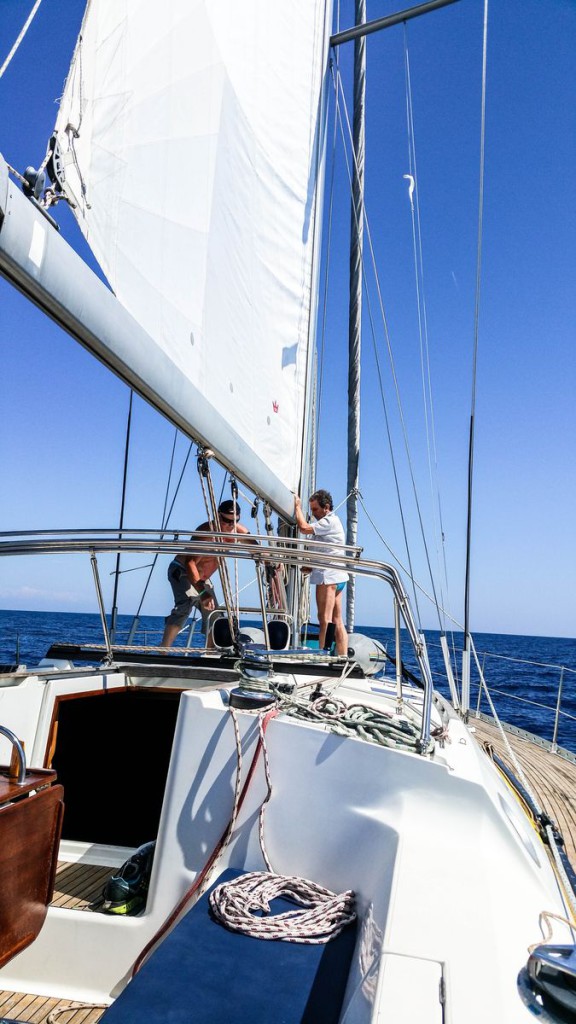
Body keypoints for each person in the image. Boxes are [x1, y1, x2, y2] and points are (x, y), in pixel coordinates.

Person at [161, 499, 252, 648]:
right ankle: (162, 652)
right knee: (185, 605)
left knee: (214, 614)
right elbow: (190, 563)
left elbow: (256, 548)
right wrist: (202, 592)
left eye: (234, 521)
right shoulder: (206, 532)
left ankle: (209, 654)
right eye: (226, 521)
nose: (230, 525)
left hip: (203, 578)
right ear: (217, 516)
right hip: (182, 570)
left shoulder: (238, 532)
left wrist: (271, 562)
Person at [294, 489, 349, 656]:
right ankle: (343, 657)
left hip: (328, 578)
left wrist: (297, 506)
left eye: (315, 509)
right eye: (311, 510)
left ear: (326, 507)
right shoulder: (327, 524)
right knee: (337, 621)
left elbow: (303, 528)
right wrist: (311, 566)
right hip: (337, 576)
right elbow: (327, 549)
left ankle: (322, 658)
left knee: (324, 619)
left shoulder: (328, 522)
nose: (313, 514)